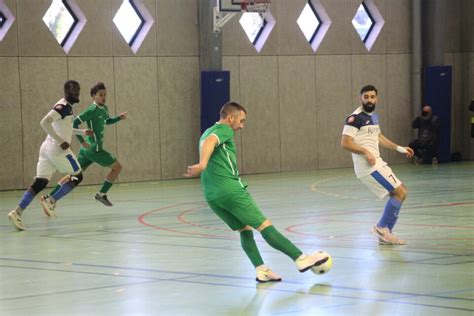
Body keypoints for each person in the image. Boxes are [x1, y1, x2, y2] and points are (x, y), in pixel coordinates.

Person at [185, 101, 329, 282]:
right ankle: (300, 258)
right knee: (264, 225)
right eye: (241, 121)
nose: (242, 126)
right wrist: (202, 164)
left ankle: (262, 270)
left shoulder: (206, 131)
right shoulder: (224, 130)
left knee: (244, 230)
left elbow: (207, 140)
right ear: (230, 118)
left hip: (212, 196)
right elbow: (210, 141)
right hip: (231, 191)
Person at [8, 80, 93, 231]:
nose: (76, 93)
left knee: (40, 183)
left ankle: (17, 212)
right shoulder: (63, 107)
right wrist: (60, 141)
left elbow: (65, 128)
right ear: (66, 92)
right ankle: (51, 200)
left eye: (78, 90)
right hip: (57, 149)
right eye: (73, 90)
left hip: (47, 149)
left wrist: (82, 132)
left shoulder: (67, 108)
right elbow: (44, 122)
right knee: (78, 176)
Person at [341, 85, 414, 245]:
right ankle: (382, 228)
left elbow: (379, 137)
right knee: (400, 192)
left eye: (372, 97)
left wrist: (400, 148)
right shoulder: (354, 118)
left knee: (401, 193)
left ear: (377, 98)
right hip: (368, 167)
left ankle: (385, 234)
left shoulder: (373, 117)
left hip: (378, 163)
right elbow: (345, 143)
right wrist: (365, 152)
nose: (369, 99)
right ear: (360, 98)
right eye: (366, 97)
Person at [43, 82, 127, 207]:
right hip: (94, 150)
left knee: (73, 175)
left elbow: (106, 121)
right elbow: (74, 123)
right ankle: (101, 194)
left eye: (105, 95)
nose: (103, 97)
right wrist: (82, 141)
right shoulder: (91, 110)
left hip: (86, 151)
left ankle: (49, 197)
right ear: (94, 96)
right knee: (117, 167)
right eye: (100, 95)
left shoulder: (104, 108)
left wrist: (118, 118)